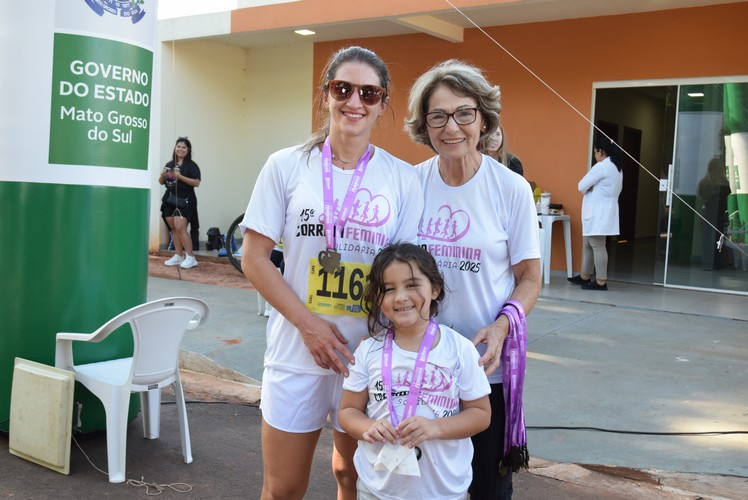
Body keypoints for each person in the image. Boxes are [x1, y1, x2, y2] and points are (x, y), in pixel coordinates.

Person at [239, 46, 423, 500]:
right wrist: (311, 328)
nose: (354, 102)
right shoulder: (285, 166)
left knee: (355, 478)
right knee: (283, 488)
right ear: (325, 96)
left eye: (369, 92)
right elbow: (255, 257)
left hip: (368, 358)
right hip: (296, 352)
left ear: (382, 103)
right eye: (343, 89)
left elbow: (407, 276)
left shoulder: (402, 178)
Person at [405, 60, 541, 499]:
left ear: (483, 118)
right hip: (420, 368)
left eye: (464, 113)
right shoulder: (411, 184)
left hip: (486, 369)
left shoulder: (510, 189)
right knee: (422, 485)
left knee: (487, 487)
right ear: (425, 124)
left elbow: (530, 278)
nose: (452, 127)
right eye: (438, 116)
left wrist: (503, 328)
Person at [339, 242, 491, 499]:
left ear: (435, 289)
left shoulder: (460, 349)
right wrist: (368, 426)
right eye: (388, 289)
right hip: (378, 489)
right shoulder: (367, 351)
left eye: (411, 285)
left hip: (443, 491)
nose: (400, 297)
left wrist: (436, 428)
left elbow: (480, 414)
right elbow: (347, 411)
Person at [567, 136, 623, 290]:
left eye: (595, 152)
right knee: (588, 243)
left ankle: (601, 281)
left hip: (598, 213)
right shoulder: (616, 167)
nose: (595, 156)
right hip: (603, 211)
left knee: (597, 245)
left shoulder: (602, 166)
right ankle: (585, 275)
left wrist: (590, 186)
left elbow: (581, 185)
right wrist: (592, 186)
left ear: (600, 151)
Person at [159, 137, 201, 269]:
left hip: (185, 199)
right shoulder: (170, 164)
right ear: (175, 148)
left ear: (188, 150)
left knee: (180, 227)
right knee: (174, 228)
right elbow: (161, 182)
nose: (180, 149)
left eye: (183, 147)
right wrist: (162, 176)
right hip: (170, 198)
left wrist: (180, 176)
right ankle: (178, 256)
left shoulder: (192, 165)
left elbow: (196, 182)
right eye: (178, 146)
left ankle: (190, 257)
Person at [697, 157, 731, 270]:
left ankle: (709, 263)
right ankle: (714, 262)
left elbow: (701, 199)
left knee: (711, 239)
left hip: (714, 214)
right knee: (716, 239)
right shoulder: (722, 183)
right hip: (714, 215)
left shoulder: (705, 183)